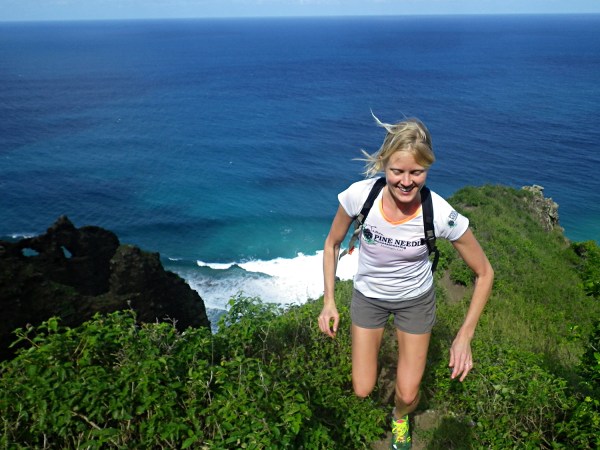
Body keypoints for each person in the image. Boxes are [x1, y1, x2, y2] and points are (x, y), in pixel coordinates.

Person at [318, 115, 494, 449]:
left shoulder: (439, 213)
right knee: (362, 388)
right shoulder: (359, 196)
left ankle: (400, 418)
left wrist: (464, 336)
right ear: (383, 163)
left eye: (417, 172)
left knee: (409, 392)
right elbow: (331, 244)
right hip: (368, 298)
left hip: (415, 301)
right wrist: (329, 300)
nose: (406, 181)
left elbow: (485, 273)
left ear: (428, 168)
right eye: (397, 171)